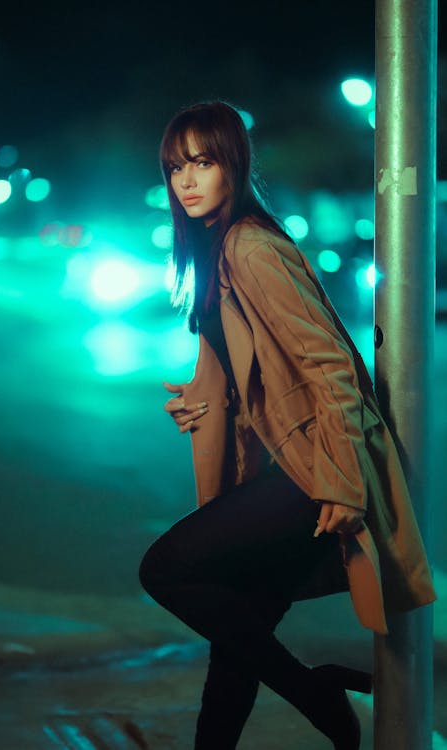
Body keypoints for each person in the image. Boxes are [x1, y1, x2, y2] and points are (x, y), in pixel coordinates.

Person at [139, 101, 435, 750]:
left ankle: (316, 692)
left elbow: (329, 365)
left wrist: (341, 482)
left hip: (316, 468)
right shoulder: (218, 249)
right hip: (292, 461)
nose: (186, 180)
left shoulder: (250, 246)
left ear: (234, 166)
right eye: (174, 168)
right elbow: (251, 365)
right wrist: (200, 397)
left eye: (203, 162)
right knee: (236, 642)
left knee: (165, 570)